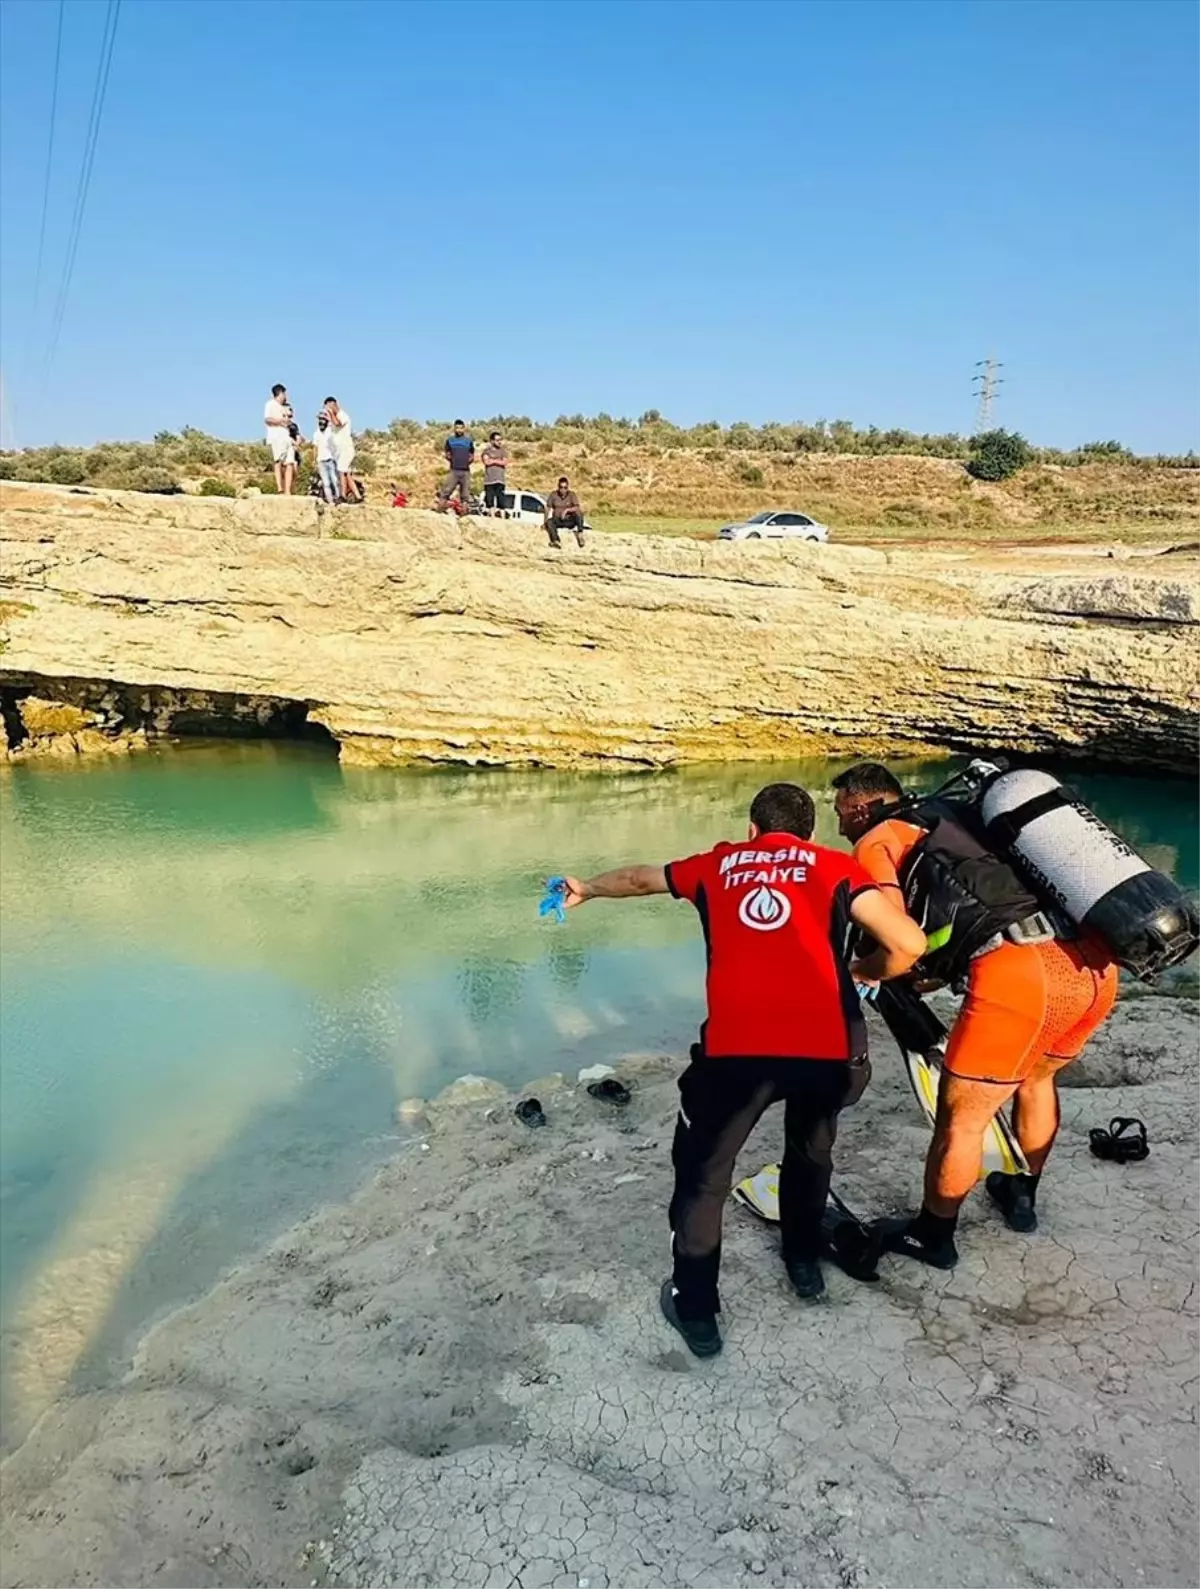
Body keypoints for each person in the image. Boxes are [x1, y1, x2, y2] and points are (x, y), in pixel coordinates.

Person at [557, 782, 925, 1358]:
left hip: (736, 1054)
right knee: (810, 1153)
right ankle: (803, 1265)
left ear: (753, 829)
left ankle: (697, 1312)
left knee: (704, 1178)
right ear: (807, 832)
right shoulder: (833, 866)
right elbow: (909, 941)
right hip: (824, 1050)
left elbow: (638, 880)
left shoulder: (718, 864)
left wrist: (588, 889)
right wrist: (867, 967)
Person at [832, 761, 1120, 1268]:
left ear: (861, 807)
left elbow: (902, 939)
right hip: (1095, 965)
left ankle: (933, 1235)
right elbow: (977, 911)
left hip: (1020, 977)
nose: (840, 826)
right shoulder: (963, 818)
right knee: (1034, 1081)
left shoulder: (875, 838)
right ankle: (1020, 1195)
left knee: (962, 1120)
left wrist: (863, 969)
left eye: (841, 814)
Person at [264, 383, 296, 495]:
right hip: (276, 436)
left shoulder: (285, 407)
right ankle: (280, 488)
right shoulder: (270, 404)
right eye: (284, 393)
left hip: (287, 437)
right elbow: (267, 419)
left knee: (290, 462)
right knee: (278, 461)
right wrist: (280, 421)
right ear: (280, 393)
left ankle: (287, 490)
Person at [324, 397, 358, 504]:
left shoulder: (342, 415)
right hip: (340, 451)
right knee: (346, 473)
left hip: (346, 449)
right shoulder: (334, 417)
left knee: (341, 471)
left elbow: (338, 423)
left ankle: (342, 495)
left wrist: (331, 414)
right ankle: (358, 495)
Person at [438, 420, 475, 511]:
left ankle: (464, 513)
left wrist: (467, 462)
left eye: (460, 428)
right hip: (454, 470)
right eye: (457, 428)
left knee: (465, 494)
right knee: (446, 491)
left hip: (465, 471)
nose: (459, 430)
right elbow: (447, 453)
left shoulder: (468, 441)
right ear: (454, 428)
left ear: (464, 428)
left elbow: (472, 454)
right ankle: (440, 510)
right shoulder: (450, 440)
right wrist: (453, 460)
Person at [544, 476, 586, 548]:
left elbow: (577, 507)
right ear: (558, 487)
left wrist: (567, 510)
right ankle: (556, 541)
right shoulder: (553, 495)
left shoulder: (572, 495)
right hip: (558, 520)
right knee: (550, 522)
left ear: (567, 487)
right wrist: (544, 522)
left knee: (579, 513)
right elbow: (547, 508)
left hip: (569, 520)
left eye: (565, 487)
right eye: (561, 487)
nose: (563, 490)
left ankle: (580, 534)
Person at [313, 411, 339, 503]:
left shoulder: (330, 431)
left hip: (330, 459)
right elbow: (315, 447)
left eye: (323, 419)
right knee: (326, 483)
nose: (321, 422)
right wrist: (314, 460)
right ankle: (331, 501)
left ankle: (338, 498)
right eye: (320, 419)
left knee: (335, 480)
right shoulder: (316, 434)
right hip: (321, 460)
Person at [481, 430, 509, 514]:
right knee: (490, 501)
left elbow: (504, 462)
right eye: (497, 440)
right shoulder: (486, 451)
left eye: (500, 440)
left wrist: (492, 460)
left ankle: (502, 518)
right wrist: (498, 461)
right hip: (489, 480)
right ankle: (492, 518)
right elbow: (486, 462)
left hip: (500, 480)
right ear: (492, 441)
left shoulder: (503, 451)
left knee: (501, 500)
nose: (499, 442)